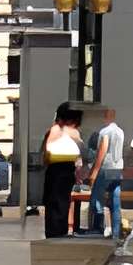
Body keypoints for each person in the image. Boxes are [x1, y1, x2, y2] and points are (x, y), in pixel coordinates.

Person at [41, 102, 84, 239]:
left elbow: (46, 151)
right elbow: (81, 152)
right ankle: (61, 231)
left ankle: (53, 232)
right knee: (63, 202)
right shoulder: (75, 132)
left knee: (53, 202)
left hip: (55, 169)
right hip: (68, 169)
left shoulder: (55, 130)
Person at [86, 104, 126, 241]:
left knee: (97, 198)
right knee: (115, 201)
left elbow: (102, 152)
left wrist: (94, 172)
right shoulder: (121, 131)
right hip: (118, 168)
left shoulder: (104, 132)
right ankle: (116, 233)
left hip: (106, 168)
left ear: (106, 117)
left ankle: (97, 229)